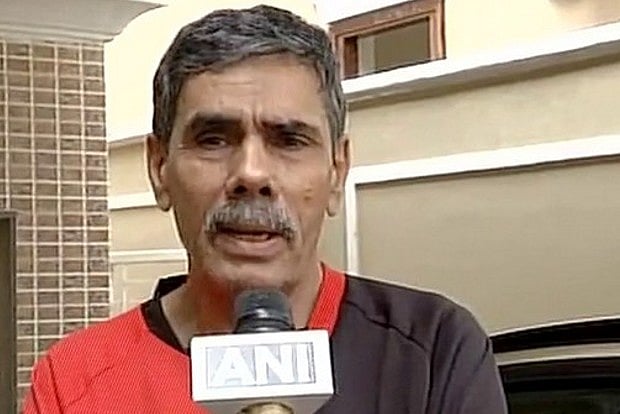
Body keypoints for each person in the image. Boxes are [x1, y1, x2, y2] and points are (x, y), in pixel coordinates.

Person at [22, 5, 507, 413]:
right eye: (213, 139)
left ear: (337, 171)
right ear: (159, 167)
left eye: (289, 140)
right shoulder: (74, 383)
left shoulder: (433, 352)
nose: (251, 174)